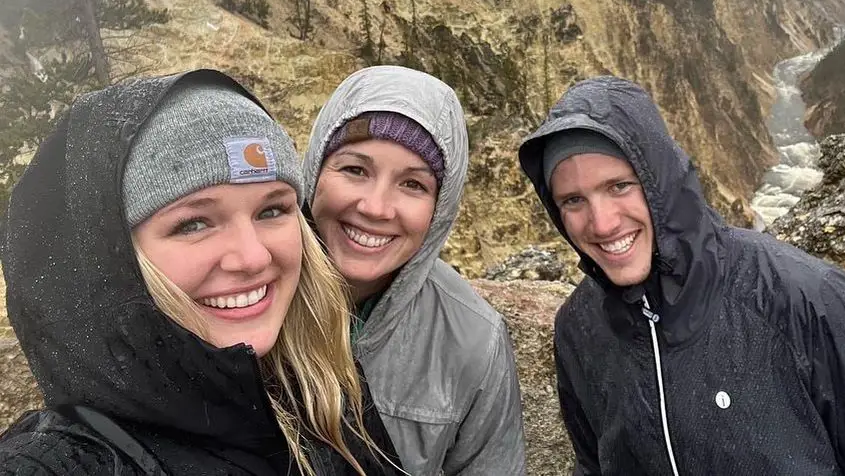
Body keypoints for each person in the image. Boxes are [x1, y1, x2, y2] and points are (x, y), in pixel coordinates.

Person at [518, 75, 845, 476]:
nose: (602, 223)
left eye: (619, 186)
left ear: (660, 180)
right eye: (573, 200)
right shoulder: (580, 329)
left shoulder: (805, 300)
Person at [0, 68, 400, 475]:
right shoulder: (67, 460)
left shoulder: (327, 390)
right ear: (114, 258)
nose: (252, 258)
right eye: (193, 224)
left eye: (272, 210)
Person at [302, 65, 526, 476]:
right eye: (355, 170)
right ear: (315, 170)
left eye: (413, 185)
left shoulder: (474, 340)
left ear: (439, 210)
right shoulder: (243, 291)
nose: (375, 207)